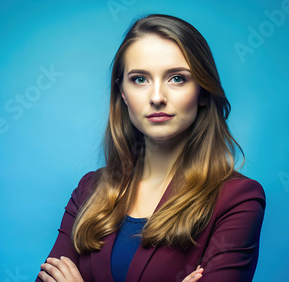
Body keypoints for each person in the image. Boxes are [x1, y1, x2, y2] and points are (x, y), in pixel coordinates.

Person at [36, 14, 266, 282]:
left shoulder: (237, 199)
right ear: (122, 92)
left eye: (177, 78)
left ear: (202, 91)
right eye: (140, 79)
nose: (157, 97)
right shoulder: (90, 189)